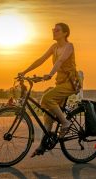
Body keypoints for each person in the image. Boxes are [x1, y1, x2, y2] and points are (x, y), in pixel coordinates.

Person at [19, 22, 78, 157]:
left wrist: (50, 74)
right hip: (60, 84)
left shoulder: (69, 46)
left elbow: (60, 61)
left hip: (70, 84)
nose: (54, 32)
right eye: (53, 29)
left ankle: (65, 122)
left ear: (65, 33)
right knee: (48, 113)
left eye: (57, 30)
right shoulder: (54, 47)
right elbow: (40, 60)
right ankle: (42, 146)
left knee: (46, 98)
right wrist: (24, 71)